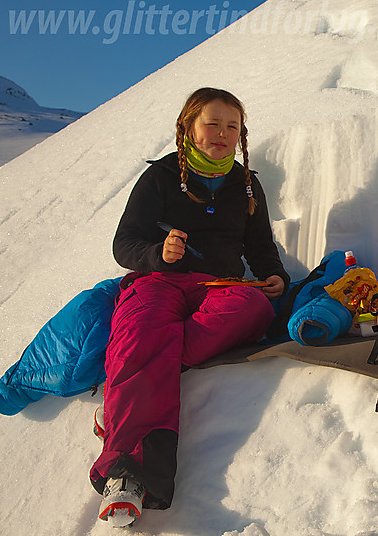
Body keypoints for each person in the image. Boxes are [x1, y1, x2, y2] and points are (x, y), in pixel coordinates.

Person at [90, 87, 290, 526]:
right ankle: (126, 473)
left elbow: (259, 245)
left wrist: (274, 274)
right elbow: (124, 244)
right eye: (212, 123)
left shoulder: (245, 183)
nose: (222, 133)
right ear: (188, 127)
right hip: (157, 280)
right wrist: (159, 254)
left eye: (232, 126)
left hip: (220, 285)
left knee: (254, 308)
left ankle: (138, 378)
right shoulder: (160, 177)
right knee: (141, 330)